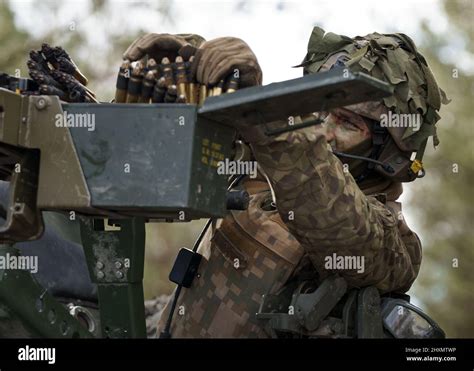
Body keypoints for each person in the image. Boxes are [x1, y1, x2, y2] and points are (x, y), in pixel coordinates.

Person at [123, 27, 448, 338]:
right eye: (320, 111)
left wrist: (263, 109)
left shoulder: (395, 248)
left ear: (390, 153)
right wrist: (198, 68)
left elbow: (336, 216)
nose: (324, 130)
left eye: (348, 122)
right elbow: (170, 150)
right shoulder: (258, 164)